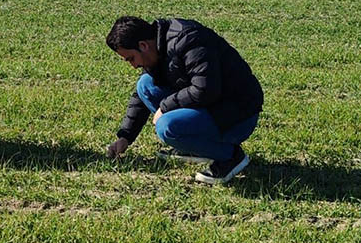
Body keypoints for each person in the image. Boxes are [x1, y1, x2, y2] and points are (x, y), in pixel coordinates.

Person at [105, 15, 263, 184]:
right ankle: (195, 148)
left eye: (130, 58)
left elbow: (206, 89)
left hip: (238, 114)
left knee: (167, 127)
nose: (134, 65)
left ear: (143, 45)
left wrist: (165, 107)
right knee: (145, 85)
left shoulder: (189, 40)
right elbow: (141, 98)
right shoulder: (158, 46)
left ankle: (230, 156)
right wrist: (125, 137)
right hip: (213, 104)